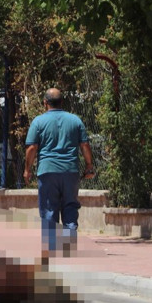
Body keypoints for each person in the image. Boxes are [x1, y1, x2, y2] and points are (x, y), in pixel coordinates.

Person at [23, 88, 95, 257]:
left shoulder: (38, 122)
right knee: (70, 205)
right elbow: (84, 146)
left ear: (44, 103)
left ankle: (51, 248)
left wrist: (27, 170)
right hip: (70, 170)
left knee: (49, 208)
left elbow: (32, 147)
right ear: (62, 102)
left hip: (47, 171)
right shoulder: (75, 120)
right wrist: (89, 166)